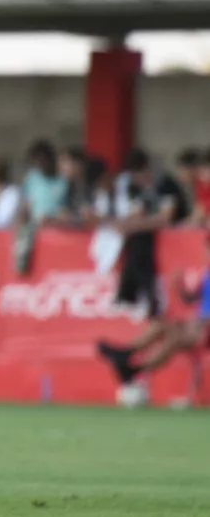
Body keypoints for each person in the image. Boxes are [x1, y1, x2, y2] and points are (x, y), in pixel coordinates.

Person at [95, 149, 185, 389]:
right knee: (168, 323)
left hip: (173, 260)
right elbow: (138, 214)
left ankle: (130, 362)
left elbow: (165, 218)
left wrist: (131, 226)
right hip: (162, 264)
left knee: (175, 327)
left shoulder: (165, 185)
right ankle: (128, 359)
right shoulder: (138, 189)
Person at [98, 233, 210, 406]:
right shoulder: (207, 274)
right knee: (162, 324)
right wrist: (180, 287)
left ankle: (135, 370)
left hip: (204, 329)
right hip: (198, 324)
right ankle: (126, 353)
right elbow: (194, 299)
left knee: (175, 338)